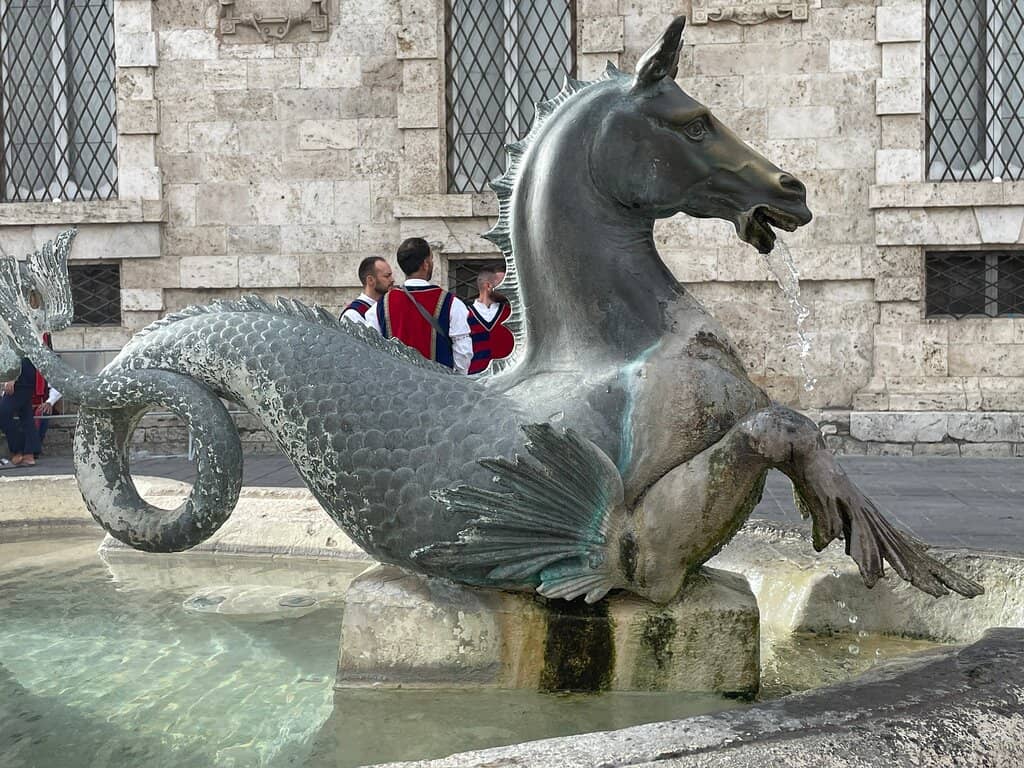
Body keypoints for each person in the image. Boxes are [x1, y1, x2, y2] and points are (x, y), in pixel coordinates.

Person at [368, 238, 472, 373]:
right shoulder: (452, 303)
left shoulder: (379, 307)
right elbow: (463, 352)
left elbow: (372, 351)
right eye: (432, 259)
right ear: (425, 264)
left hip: (397, 389)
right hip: (440, 388)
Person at [0, 354, 58, 468]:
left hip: (21, 371)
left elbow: (16, 349)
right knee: (25, 414)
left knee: (3, 412)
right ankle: (29, 453)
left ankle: (19, 450)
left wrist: (12, 377)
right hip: (25, 368)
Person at [467, 267, 515, 375]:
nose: (507, 286)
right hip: (474, 382)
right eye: (503, 283)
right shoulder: (464, 315)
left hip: (508, 380)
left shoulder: (512, 315)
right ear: (488, 286)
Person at [341, 256, 394, 325]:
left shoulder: (388, 306)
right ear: (370, 280)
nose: (392, 280)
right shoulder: (353, 315)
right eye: (387, 276)